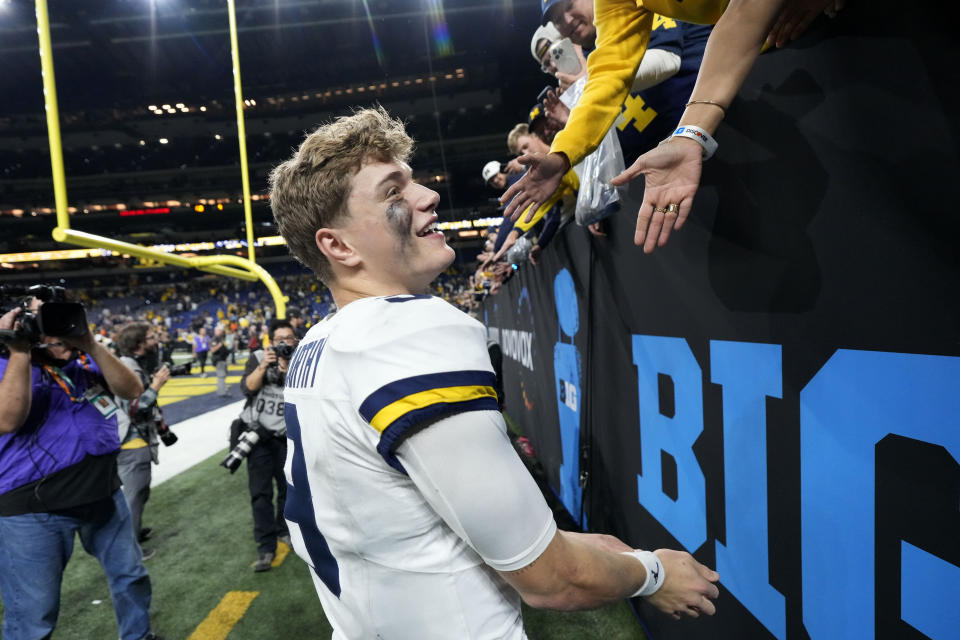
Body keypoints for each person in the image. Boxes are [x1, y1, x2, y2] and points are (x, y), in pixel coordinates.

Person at [269, 107, 719, 638]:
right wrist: (653, 574)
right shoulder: (406, 336)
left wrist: (581, 545)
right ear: (338, 245)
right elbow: (552, 580)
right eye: (393, 192)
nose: (427, 195)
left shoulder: (318, 345)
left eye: (412, 180)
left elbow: (415, 523)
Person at [502, 0, 842, 253]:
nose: (566, 19)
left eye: (567, 4)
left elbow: (738, 16)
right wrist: (562, 155)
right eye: (557, 18)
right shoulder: (613, 6)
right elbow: (609, 78)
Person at [0, 300, 162, 640]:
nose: (52, 327)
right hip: (32, 506)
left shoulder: (84, 358)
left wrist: (88, 341)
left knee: (130, 576)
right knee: (34, 610)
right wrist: (19, 351)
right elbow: (8, 419)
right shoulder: (8, 361)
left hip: (102, 490)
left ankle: (138, 636)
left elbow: (132, 391)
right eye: (40, 317)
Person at [239, 319, 299, 572]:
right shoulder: (257, 357)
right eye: (279, 340)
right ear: (271, 341)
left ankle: (283, 529)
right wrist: (265, 365)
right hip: (259, 435)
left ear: (295, 341)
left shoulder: (299, 359)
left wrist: (287, 369)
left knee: (286, 488)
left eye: (289, 339)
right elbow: (248, 389)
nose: (284, 343)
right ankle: (265, 546)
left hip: (285, 435)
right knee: (260, 492)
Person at [115, 322, 172, 559]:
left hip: (134, 439)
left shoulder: (129, 364)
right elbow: (137, 408)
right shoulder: (130, 368)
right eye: (149, 338)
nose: (155, 340)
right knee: (134, 496)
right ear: (139, 344)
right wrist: (157, 385)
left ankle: (134, 531)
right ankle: (130, 550)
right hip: (133, 441)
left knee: (139, 492)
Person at [210, 325, 230, 396]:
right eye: (220, 330)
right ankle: (222, 392)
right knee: (221, 376)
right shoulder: (215, 339)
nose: (221, 332)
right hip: (218, 360)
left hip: (222, 359)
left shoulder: (220, 338)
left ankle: (223, 389)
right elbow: (212, 350)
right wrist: (220, 345)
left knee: (223, 375)